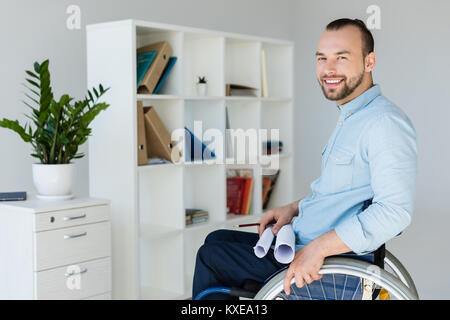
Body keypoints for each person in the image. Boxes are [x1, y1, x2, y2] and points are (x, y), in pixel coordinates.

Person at [192, 18, 418, 299]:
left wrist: (319, 248)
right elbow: (343, 194)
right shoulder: (352, 118)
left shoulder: (384, 123)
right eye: (322, 58)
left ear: (369, 61)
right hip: (304, 242)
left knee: (211, 255)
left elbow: (395, 212)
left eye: (341, 58)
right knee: (217, 239)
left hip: (326, 266)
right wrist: (294, 208)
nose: (328, 69)